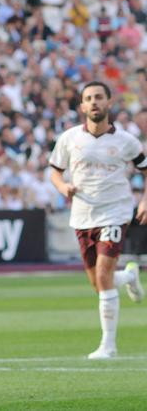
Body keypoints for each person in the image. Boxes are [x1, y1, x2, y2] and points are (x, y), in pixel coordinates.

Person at [49, 81, 147, 360]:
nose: (94, 102)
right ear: (82, 106)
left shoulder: (126, 141)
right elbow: (55, 171)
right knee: (97, 282)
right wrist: (62, 187)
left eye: (99, 97)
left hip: (115, 212)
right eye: (88, 98)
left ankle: (109, 346)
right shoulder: (69, 139)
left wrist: (145, 200)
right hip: (82, 215)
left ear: (109, 103)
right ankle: (129, 275)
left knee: (103, 275)